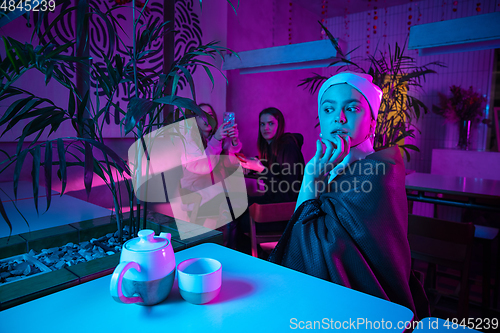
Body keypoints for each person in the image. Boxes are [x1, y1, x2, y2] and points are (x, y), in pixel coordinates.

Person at [268, 72, 430, 321]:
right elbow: (302, 233)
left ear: (372, 123)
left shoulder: (378, 171)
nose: (338, 118)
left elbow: (315, 248)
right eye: (328, 109)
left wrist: (312, 179)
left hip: (363, 307)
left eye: (352, 108)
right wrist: (312, 176)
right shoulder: (330, 168)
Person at [179, 103, 242, 217]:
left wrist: (234, 141)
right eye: (202, 115)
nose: (207, 118)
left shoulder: (216, 140)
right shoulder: (189, 142)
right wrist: (216, 139)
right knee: (234, 204)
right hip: (198, 199)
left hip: (218, 195)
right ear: (195, 121)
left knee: (242, 200)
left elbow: (231, 163)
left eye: (210, 115)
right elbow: (204, 167)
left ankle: (237, 234)